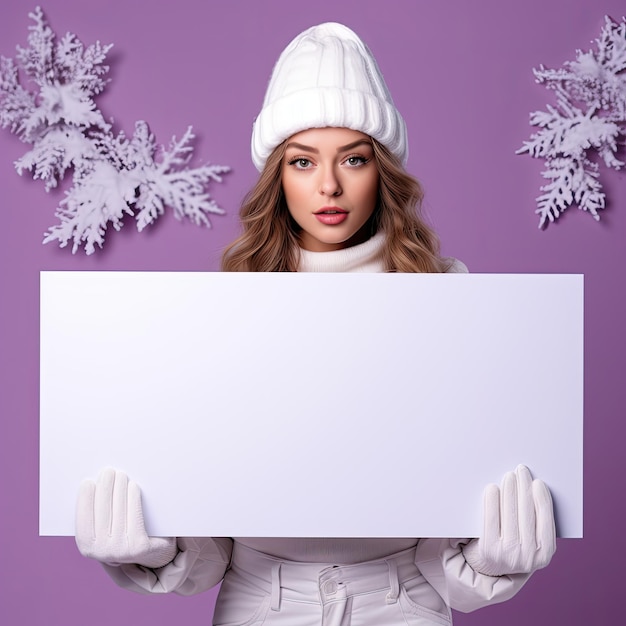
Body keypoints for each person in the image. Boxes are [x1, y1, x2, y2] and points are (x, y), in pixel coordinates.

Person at [75, 22, 556, 625]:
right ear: (279, 176)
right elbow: (211, 552)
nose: (328, 185)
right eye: (303, 161)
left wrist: (490, 559)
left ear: (382, 170)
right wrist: (156, 545)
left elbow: (448, 552)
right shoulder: (227, 308)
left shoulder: (447, 296)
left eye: (353, 158)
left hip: (405, 605)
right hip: (258, 604)